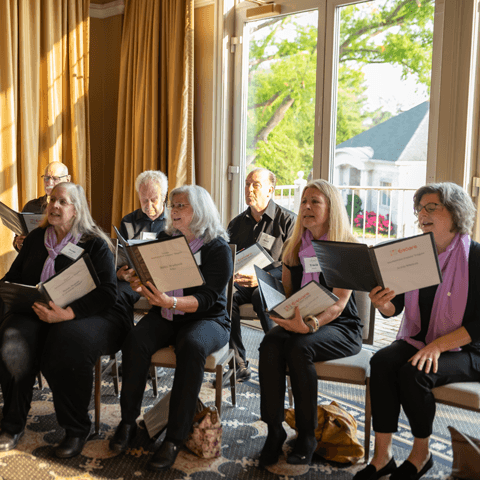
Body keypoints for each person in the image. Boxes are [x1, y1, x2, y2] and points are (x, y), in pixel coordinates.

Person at [0, 182, 137, 458]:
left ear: (76, 209)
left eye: (62, 201)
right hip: (41, 309)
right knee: (12, 337)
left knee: (66, 344)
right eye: (51, 201)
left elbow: (108, 293)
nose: (54, 206)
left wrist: (68, 314)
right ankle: (12, 424)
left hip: (93, 313)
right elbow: (13, 278)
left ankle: (76, 429)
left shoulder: (94, 243)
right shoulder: (36, 240)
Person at [354, 182, 480, 480]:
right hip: (420, 338)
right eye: (419, 209)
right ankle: (382, 456)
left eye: (431, 207)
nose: (422, 214)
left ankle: (421, 453)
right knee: (381, 361)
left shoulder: (475, 257)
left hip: (470, 348)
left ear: (455, 212)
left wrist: (437, 347)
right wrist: (380, 303)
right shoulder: (414, 252)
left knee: (415, 373)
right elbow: (394, 306)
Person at [109, 185, 233, 472]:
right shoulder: (165, 238)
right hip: (166, 312)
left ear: (199, 211)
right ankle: (128, 423)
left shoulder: (217, 247)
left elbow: (207, 299)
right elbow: (154, 282)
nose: (173, 211)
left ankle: (174, 438)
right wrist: (140, 283)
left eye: (181, 206)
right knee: (135, 339)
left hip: (208, 319)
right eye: (173, 205)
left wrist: (172, 300)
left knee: (191, 345)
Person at [258, 179, 363, 467]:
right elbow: (290, 295)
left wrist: (310, 325)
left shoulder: (346, 247)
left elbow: (340, 304)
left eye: (315, 201)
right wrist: (279, 309)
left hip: (341, 325)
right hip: (302, 319)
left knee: (299, 348)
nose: (306, 207)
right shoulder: (294, 247)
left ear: (331, 208)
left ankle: (306, 435)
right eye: (304, 201)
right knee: (268, 343)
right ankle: (275, 430)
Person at [227, 167, 296, 383]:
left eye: (255, 184)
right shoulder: (236, 223)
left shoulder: (288, 221)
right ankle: (238, 363)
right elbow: (228, 258)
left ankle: (280, 359)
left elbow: (292, 264)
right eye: (247, 184)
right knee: (226, 296)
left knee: (261, 294)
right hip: (241, 283)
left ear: (270, 190)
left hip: (273, 282)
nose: (249, 189)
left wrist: (261, 278)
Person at [117, 170, 168, 282]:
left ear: (163, 197)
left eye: (153, 200)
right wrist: (119, 273)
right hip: (135, 279)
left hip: (167, 278)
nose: (149, 206)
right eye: (144, 200)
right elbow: (120, 256)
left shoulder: (175, 222)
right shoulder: (128, 221)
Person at [14, 161, 71, 251]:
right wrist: (19, 244)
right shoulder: (31, 206)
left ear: (67, 179)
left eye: (55, 178)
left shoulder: (74, 207)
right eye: (47, 178)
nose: (49, 182)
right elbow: (18, 240)